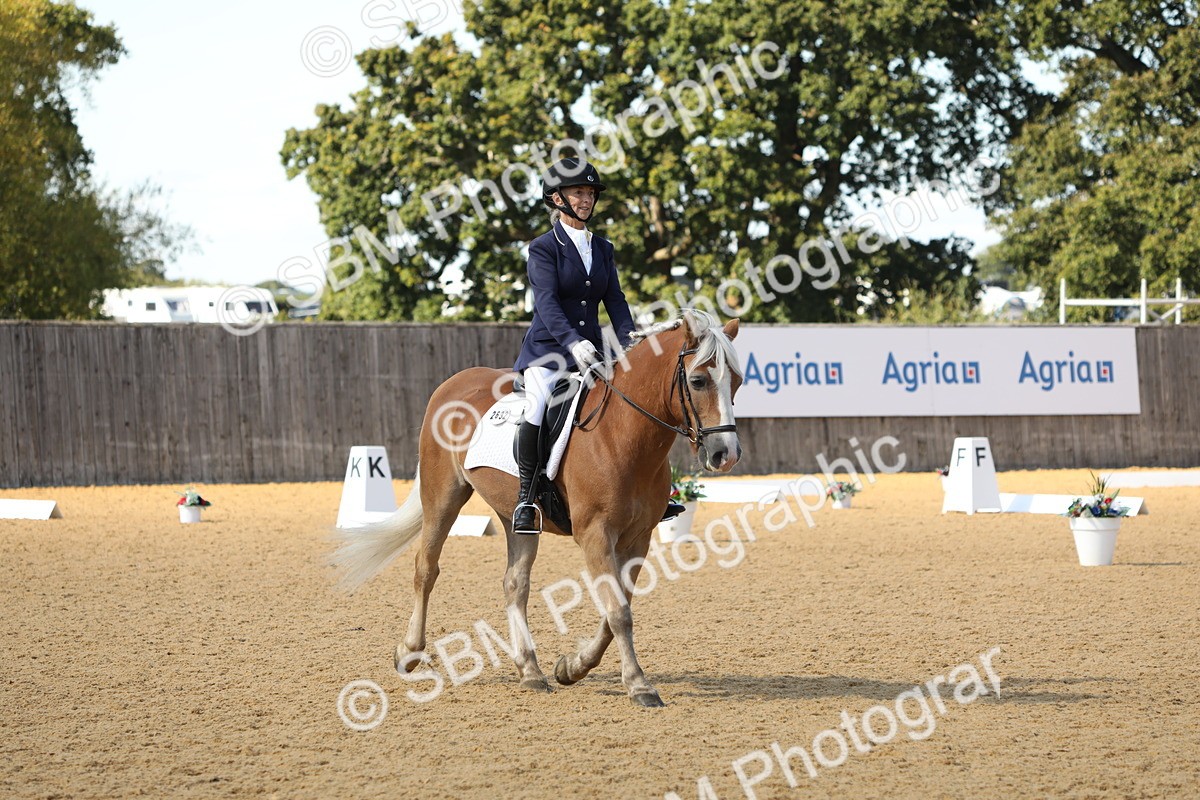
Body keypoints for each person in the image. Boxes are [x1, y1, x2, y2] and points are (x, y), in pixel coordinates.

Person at [511, 158, 679, 534]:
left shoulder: (602, 247)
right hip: (549, 351)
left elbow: (615, 301)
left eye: (589, 193)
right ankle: (527, 497)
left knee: (630, 403)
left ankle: (648, 494)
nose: (586, 199)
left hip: (593, 351)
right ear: (557, 198)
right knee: (538, 407)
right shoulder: (543, 248)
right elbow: (547, 303)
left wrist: (626, 344)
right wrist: (572, 343)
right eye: (578, 192)